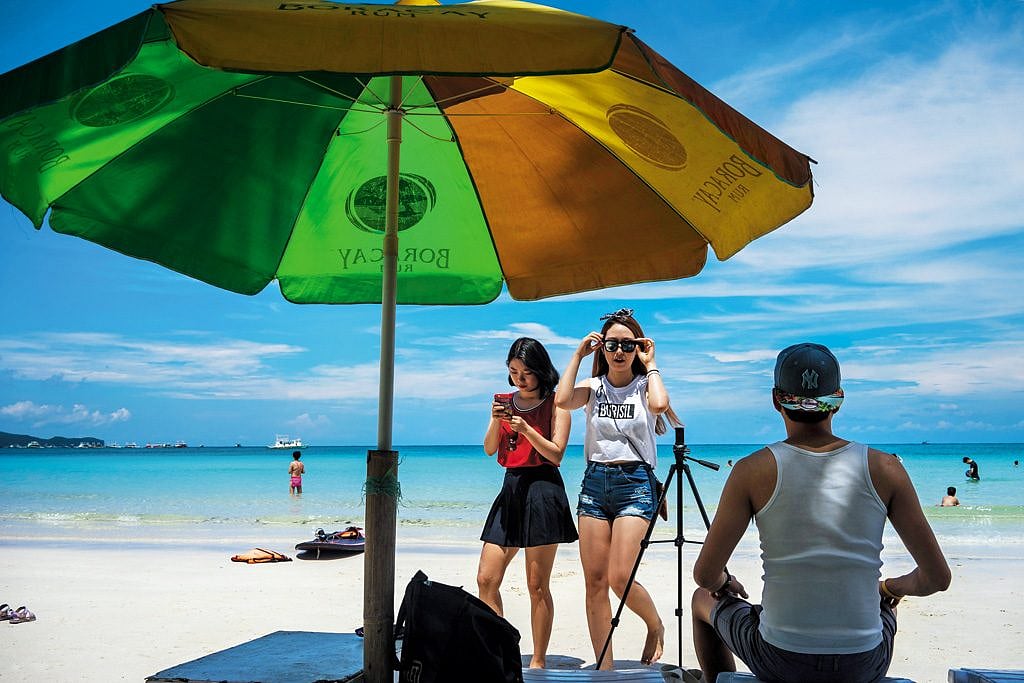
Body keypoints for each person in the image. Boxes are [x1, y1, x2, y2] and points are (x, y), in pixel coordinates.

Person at [690, 343, 951, 683]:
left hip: (781, 660)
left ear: (775, 399)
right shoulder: (886, 468)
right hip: (863, 664)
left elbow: (705, 574)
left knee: (701, 600)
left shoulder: (751, 471)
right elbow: (937, 579)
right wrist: (889, 589)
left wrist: (725, 583)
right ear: (838, 399)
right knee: (881, 609)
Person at [554, 308, 681, 669]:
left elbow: (660, 405)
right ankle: (604, 666)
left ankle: (654, 624)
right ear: (603, 349)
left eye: (628, 344)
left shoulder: (644, 386)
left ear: (638, 347)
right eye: (612, 344)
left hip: (636, 485)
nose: (620, 351)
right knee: (594, 582)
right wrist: (578, 355)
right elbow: (562, 400)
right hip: (595, 485)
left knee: (619, 575)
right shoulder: (594, 388)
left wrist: (652, 363)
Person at [478, 337, 576, 670]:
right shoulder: (504, 401)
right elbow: (491, 450)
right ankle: (500, 653)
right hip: (512, 488)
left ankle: (538, 659)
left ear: (541, 371)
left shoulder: (557, 403)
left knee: (536, 585)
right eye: (514, 371)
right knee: (486, 579)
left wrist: (527, 429)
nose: (520, 379)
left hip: (544, 489)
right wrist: (497, 420)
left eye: (527, 373)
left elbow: (557, 454)